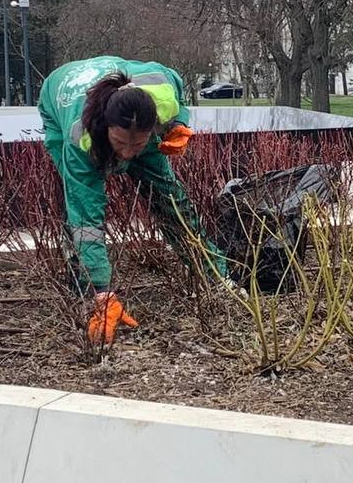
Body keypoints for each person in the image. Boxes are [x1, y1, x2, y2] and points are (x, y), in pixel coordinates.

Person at [38, 56, 228, 345]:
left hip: (132, 93)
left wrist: (177, 125)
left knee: (170, 198)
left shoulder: (162, 94)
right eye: (120, 144)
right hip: (58, 91)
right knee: (77, 204)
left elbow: (175, 80)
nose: (127, 153)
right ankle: (86, 286)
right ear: (106, 130)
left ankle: (214, 273)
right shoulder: (82, 139)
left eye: (136, 144)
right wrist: (103, 292)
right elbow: (87, 219)